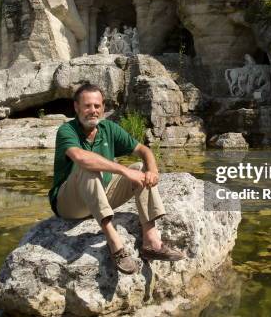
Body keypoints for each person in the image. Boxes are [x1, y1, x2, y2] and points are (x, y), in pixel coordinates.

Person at [50, 83, 184, 274]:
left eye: (97, 106)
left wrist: (152, 170)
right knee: (87, 168)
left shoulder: (109, 128)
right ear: (76, 107)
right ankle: (115, 244)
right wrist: (124, 170)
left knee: (140, 169)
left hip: (101, 195)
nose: (92, 111)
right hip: (70, 204)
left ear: (103, 107)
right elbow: (81, 158)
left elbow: (143, 150)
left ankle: (151, 242)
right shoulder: (67, 131)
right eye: (87, 106)